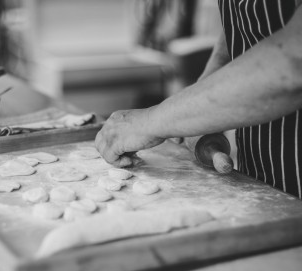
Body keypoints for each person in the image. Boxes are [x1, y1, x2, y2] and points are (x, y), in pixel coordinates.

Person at [95, 0, 302, 198]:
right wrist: (198, 109)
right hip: (265, 182)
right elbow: (248, 22)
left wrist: (149, 122)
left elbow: (294, 61)